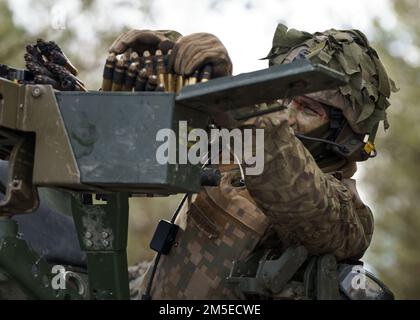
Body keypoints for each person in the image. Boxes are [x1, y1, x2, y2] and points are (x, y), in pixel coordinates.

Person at [106, 24, 397, 299]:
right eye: (285, 99)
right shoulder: (232, 151)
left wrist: (233, 95)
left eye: (308, 108)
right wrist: (177, 61)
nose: (287, 115)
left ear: (345, 135)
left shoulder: (349, 218)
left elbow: (298, 191)